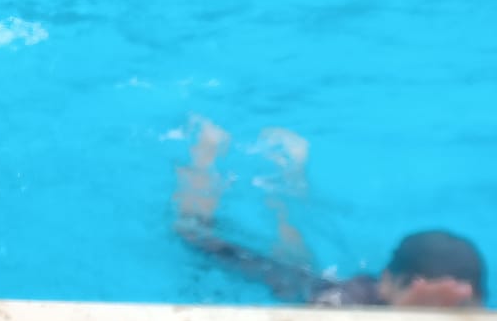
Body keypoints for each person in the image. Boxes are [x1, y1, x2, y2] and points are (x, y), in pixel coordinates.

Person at [174, 119, 487, 308]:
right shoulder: (353, 296)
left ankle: (286, 179)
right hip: (306, 287)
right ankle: (203, 159)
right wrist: (402, 313)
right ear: (385, 283)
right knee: (194, 235)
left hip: (318, 280)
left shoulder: (461, 307)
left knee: (296, 254)